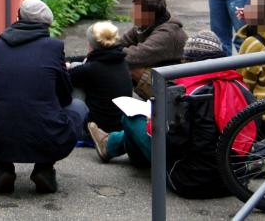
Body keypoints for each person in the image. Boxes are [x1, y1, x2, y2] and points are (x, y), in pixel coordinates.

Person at [87, 31, 253, 199]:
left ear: (188, 61)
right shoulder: (240, 87)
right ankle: (114, 145)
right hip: (235, 181)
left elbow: (169, 143)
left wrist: (153, 120)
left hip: (190, 182)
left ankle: (111, 145)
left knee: (131, 119)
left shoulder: (185, 92)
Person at [0, 0, 89, 195]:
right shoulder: (54, 47)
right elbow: (65, 95)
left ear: (17, 18)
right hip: (46, 135)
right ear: (46, 25)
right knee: (78, 106)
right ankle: (44, 168)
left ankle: (3, 168)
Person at [118, 0, 187, 100]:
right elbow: (120, 43)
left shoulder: (167, 34)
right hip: (158, 70)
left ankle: (158, 105)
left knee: (131, 67)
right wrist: (104, 48)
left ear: (150, 15)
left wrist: (106, 53)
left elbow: (134, 57)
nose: (131, 13)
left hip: (173, 82)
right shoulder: (144, 25)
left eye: (136, 11)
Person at [68, 21, 133, 133]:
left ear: (91, 44)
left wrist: (67, 65)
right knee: (77, 66)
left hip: (97, 130)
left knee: (73, 71)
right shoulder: (120, 60)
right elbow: (89, 58)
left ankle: (75, 126)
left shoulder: (91, 69)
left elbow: (64, 79)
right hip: (120, 126)